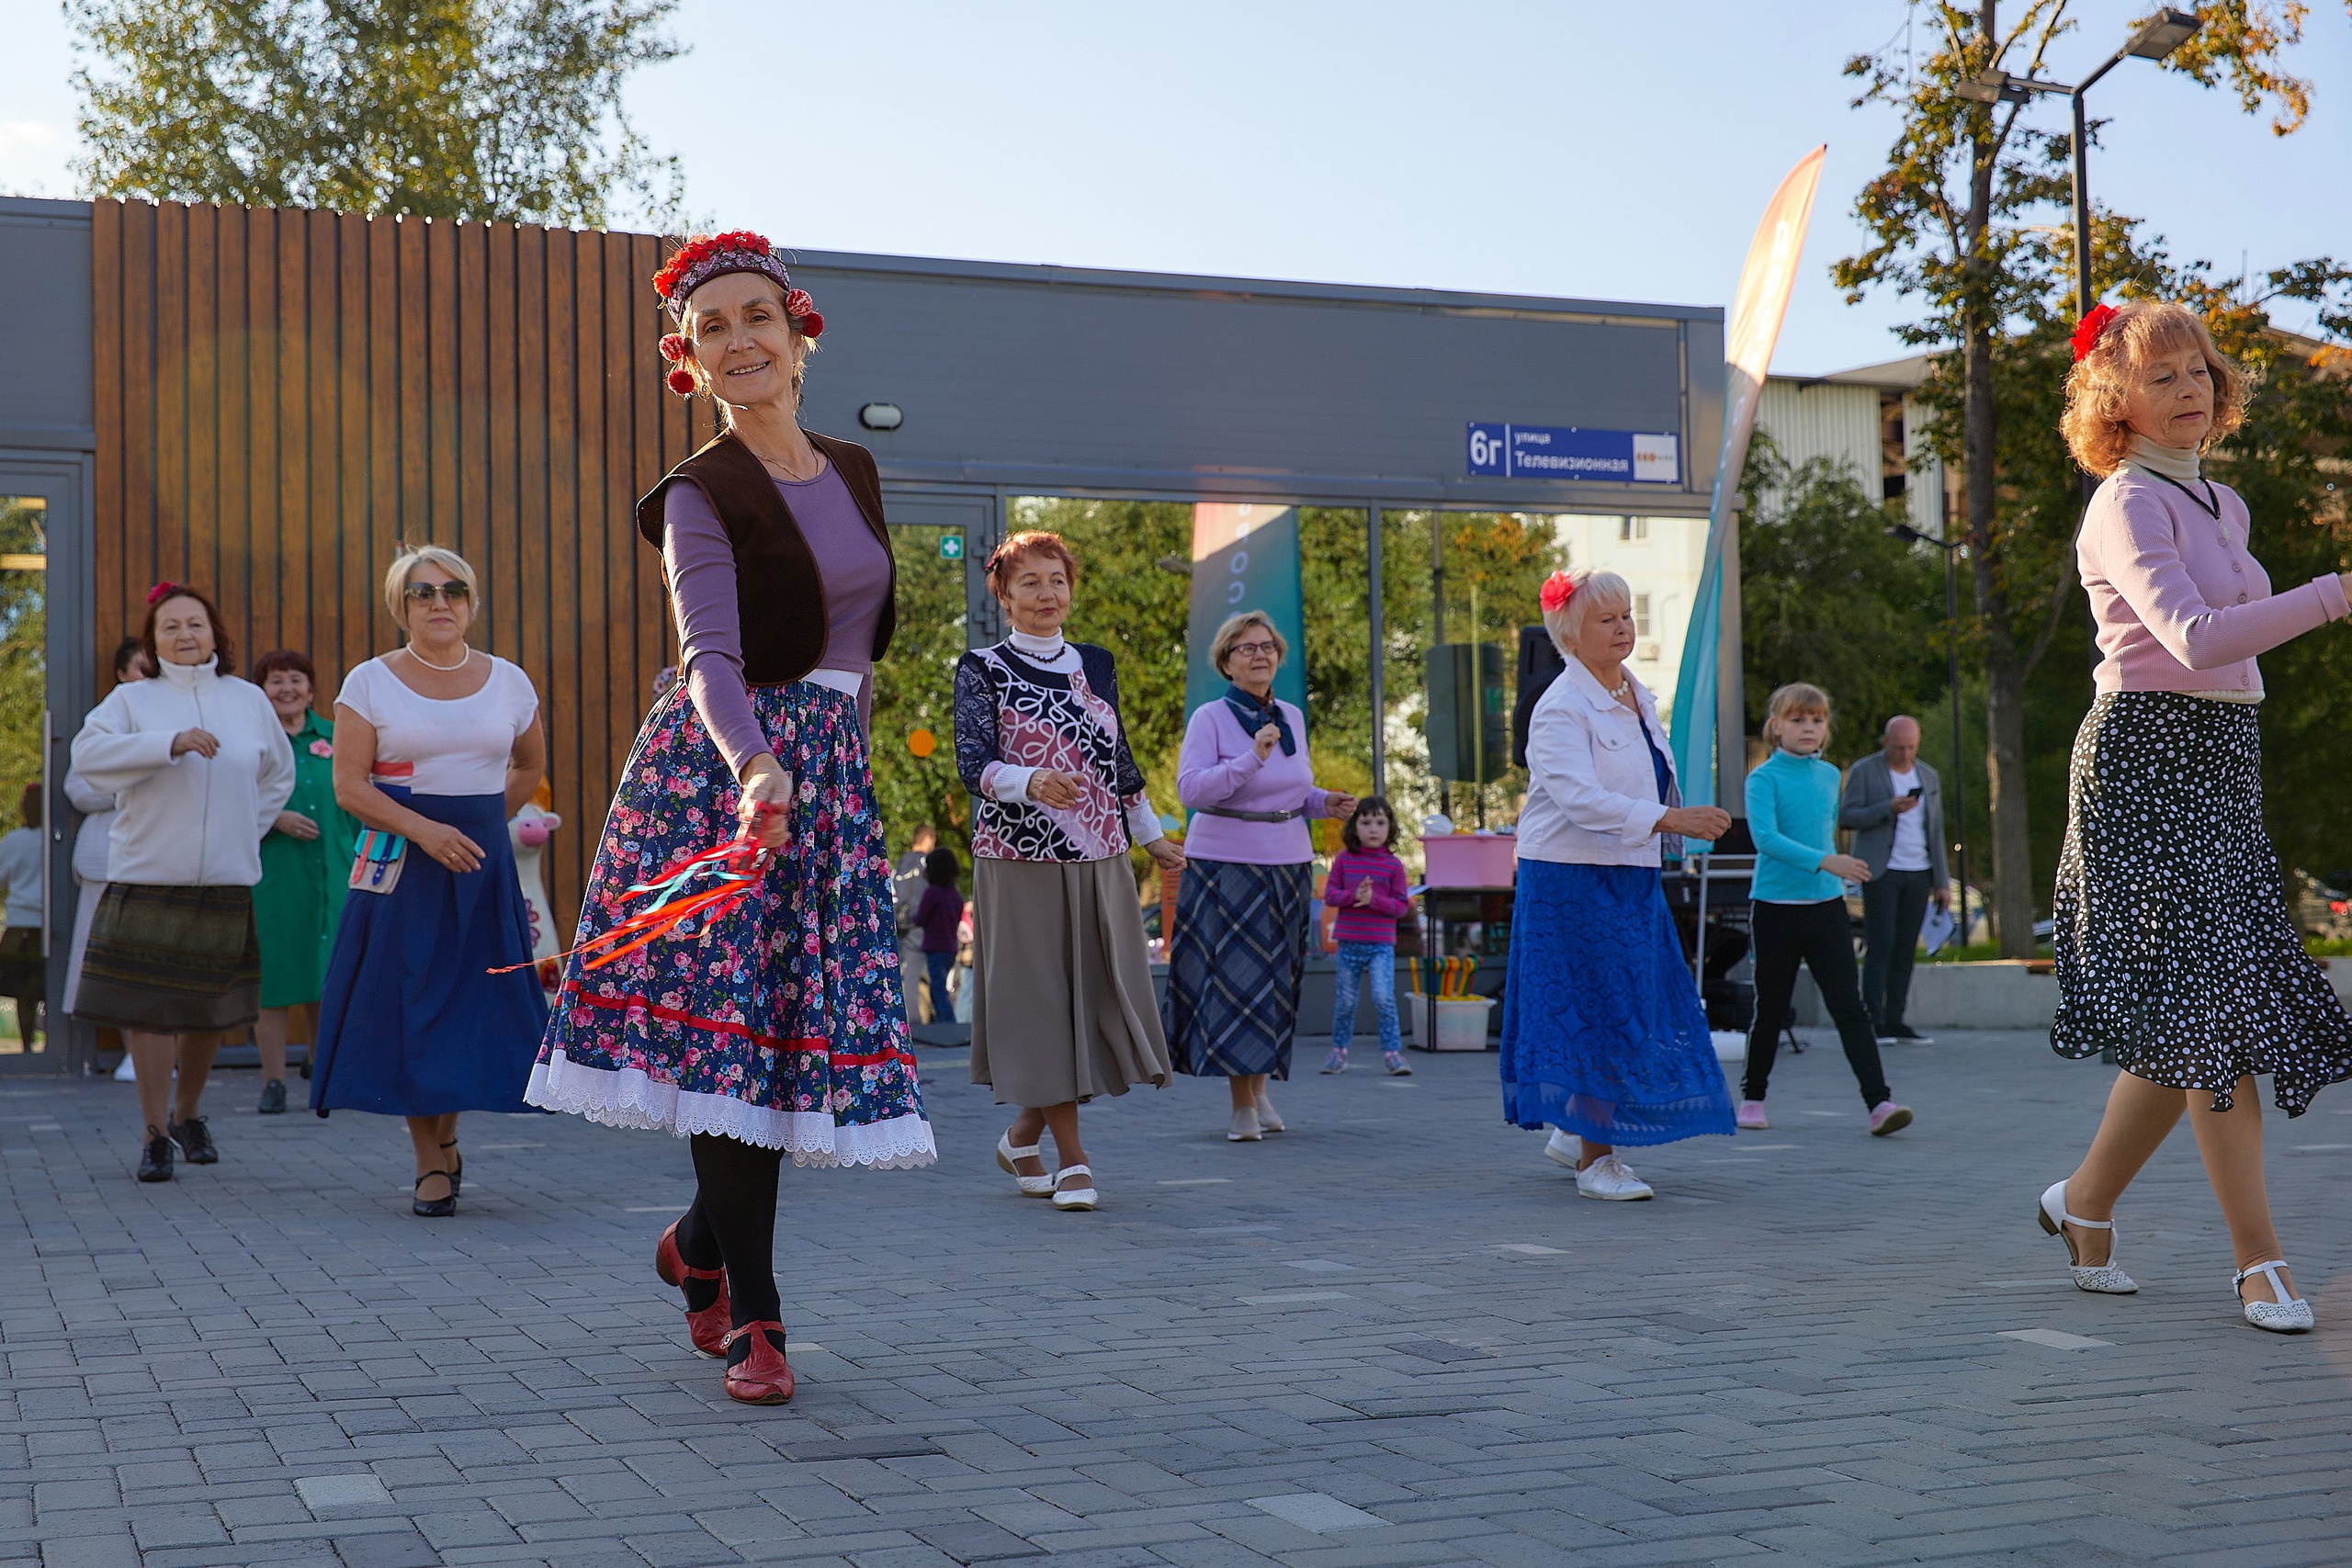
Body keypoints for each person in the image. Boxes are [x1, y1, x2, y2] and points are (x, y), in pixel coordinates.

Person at [527, 231, 933, 1405]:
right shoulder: (698, 494)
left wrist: (831, 761)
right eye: (715, 329)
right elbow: (709, 653)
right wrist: (756, 766)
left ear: (799, 335)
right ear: (688, 360)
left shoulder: (856, 469)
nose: (741, 341)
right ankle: (759, 1322)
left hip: (833, 774)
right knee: (732, 1049)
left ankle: (697, 1249)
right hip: (725, 778)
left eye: (759, 317)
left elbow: (851, 634)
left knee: (787, 1047)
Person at [2042, 299, 2352, 1333]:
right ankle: (2258, 1263)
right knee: (2214, 1022)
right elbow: (2194, 638)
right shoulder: (2125, 503)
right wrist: (2332, 593)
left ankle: (2082, 1202)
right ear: (2113, 402)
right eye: (2162, 375)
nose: (2189, 389)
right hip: (2146, 759)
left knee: (2193, 1021)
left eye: (2198, 372)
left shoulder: (2221, 501)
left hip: (2219, 759)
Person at [308, 546, 550, 1220]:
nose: (439, 601)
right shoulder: (369, 681)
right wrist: (425, 830)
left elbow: (529, 764)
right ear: (401, 606)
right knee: (412, 1006)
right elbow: (350, 785)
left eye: (453, 589)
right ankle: (428, 1161)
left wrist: (480, 821)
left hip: (479, 864)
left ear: (471, 602)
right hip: (403, 863)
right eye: (422, 592)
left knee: (469, 1009)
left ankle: (447, 1139)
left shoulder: (508, 680)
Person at [955, 530, 1182, 1211]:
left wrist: (1153, 836)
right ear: (1003, 594)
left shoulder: (1097, 664)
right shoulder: (982, 667)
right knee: (1043, 1005)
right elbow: (975, 765)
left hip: (1100, 851)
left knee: (1091, 997)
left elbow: (1119, 758)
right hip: (1017, 859)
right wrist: (1030, 780)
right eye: (1030, 583)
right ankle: (1073, 1159)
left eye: (1056, 580)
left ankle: (1024, 1135)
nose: (1047, 594)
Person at [1499, 568, 1736, 1200]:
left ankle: (1575, 1129)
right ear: (1569, 636)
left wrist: (1672, 828)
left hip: (1630, 871)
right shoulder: (1558, 706)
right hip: (1570, 877)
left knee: (1635, 1003)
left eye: (1627, 614)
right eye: (1606, 619)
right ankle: (1594, 1161)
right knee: (1599, 1008)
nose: (1623, 627)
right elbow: (1579, 798)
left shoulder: (1637, 694)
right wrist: (1668, 819)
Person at [69, 583, 296, 1182]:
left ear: (214, 632)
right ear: (153, 640)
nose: (184, 634)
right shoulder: (130, 700)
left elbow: (278, 773)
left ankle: (189, 1113)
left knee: (209, 1011)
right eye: (169, 626)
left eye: (194, 623)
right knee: (148, 1011)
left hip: (223, 879)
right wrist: (167, 743)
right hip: (147, 877)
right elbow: (88, 756)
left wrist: (245, 829)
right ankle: (154, 1133)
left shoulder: (248, 699)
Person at [1164, 609, 1355, 1142]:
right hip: (1227, 865)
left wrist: (1325, 803)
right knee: (1234, 985)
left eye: (1268, 646)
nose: (1260, 655)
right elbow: (1192, 792)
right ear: (1226, 660)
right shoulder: (1210, 718)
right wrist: (1250, 758)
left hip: (1288, 863)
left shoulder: (1291, 715)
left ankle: (1262, 1090)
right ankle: (1240, 1103)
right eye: (1247, 648)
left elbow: (1293, 793)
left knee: (1276, 982)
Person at [1740, 683, 1912, 1137]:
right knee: (1772, 1007)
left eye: (1816, 721)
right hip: (1775, 908)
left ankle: (1880, 1103)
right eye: (1798, 720)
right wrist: (1827, 861)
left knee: (1850, 1008)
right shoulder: (1762, 779)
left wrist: (1835, 868)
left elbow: (1819, 833)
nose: (1809, 728)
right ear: (1776, 726)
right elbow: (1767, 840)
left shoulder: (1830, 776)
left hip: (1826, 907)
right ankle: (1753, 1097)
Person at [249, 649, 356, 1113]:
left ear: (312, 690)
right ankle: (273, 1081)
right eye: (276, 681)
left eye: (296, 679)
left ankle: (321, 1070)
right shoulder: (251, 744)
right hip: (274, 877)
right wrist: (272, 818)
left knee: (326, 975)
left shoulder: (339, 739)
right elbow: (229, 800)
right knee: (274, 978)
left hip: (336, 873)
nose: (287, 688)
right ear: (262, 692)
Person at [1838, 715, 1950, 1044]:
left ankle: (1896, 1018)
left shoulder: (1928, 775)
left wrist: (1941, 881)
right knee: (1881, 943)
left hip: (1919, 872)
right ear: (1886, 742)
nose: (1905, 754)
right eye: (1899, 747)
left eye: (1911, 747)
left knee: (1904, 949)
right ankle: (1873, 1020)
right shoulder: (1865, 771)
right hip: (1880, 870)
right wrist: (1888, 808)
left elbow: (1936, 830)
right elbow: (1846, 816)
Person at [63, 639, 151, 1050]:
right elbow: (78, 788)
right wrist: (131, 788)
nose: (147, 677)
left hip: (160, 859)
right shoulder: (105, 721)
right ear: (121, 675)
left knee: (152, 961)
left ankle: (154, 1054)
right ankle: (130, 1054)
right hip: (107, 860)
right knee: (105, 960)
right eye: (139, 668)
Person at [1321, 795, 1413, 1077]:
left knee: (1384, 997)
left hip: (1380, 946)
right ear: (1354, 827)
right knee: (1346, 1001)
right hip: (1349, 943)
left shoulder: (1394, 866)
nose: (1373, 829)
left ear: (1390, 827)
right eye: (1366, 822)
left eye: (1380, 822)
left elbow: (1400, 907)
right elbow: (1330, 896)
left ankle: (1392, 1054)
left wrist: (1374, 899)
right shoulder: (1344, 860)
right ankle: (1339, 1051)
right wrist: (1353, 896)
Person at [0, 784, 43, 1051]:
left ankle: (27, 1046)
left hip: (19, 927)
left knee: (22, 994)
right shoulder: (58, 840)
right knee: (48, 987)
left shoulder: (15, 841)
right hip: (50, 926)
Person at [893, 822, 939, 1022]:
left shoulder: (900, 864)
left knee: (909, 978)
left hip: (903, 927)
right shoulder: (930, 863)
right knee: (937, 977)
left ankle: (912, 1022)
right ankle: (943, 1023)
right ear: (929, 840)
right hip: (928, 927)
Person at [913, 846, 964, 1024]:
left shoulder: (932, 893)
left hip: (935, 947)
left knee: (937, 988)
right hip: (951, 947)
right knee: (941, 986)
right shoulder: (955, 895)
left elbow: (921, 919)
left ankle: (947, 1023)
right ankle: (946, 1021)